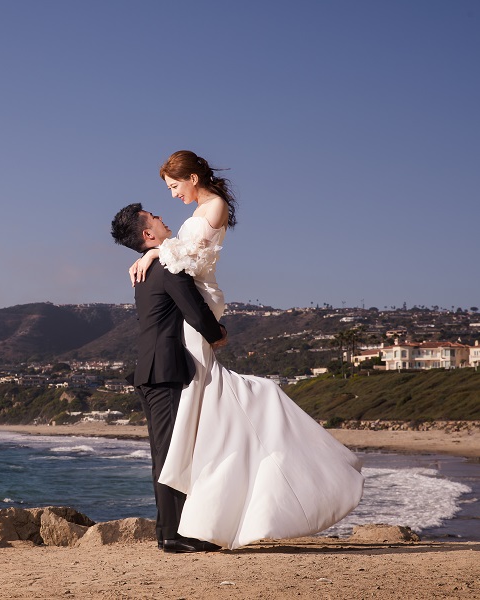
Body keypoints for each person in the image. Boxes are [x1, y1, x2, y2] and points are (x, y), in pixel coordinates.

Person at [129, 150, 364, 550]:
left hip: (197, 316)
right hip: (192, 322)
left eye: (173, 186)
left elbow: (183, 259)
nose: (171, 196)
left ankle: (188, 526)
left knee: (205, 418)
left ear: (192, 177)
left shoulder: (212, 207)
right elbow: (179, 257)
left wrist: (153, 251)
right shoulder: (196, 216)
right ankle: (192, 524)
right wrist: (155, 251)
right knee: (205, 420)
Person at [111, 203, 227, 553]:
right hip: (165, 371)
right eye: (156, 218)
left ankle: (172, 531)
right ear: (148, 234)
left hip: (152, 370)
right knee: (170, 452)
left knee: (165, 451)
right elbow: (195, 311)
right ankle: (173, 535)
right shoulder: (167, 266)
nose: (163, 218)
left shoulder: (150, 266)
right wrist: (217, 332)